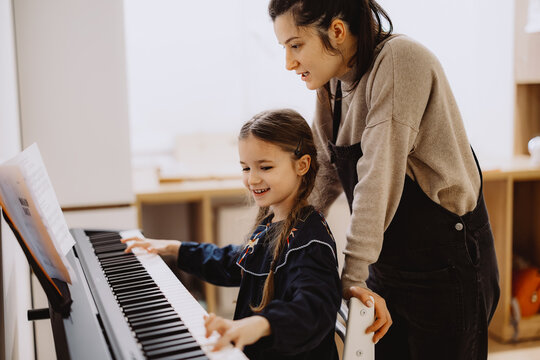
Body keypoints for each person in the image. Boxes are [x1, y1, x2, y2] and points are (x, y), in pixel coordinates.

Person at [269, 0, 500, 359]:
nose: (289, 62)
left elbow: (379, 176)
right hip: (388, 263)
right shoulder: (331, 84)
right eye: (284, 48)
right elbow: (325, 175)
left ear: (337, 32)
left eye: (295, 45)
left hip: (444, 265)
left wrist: (351, 279)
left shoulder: (399, 60)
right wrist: (280, 243)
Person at [123, 109, 342, 359]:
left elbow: (314, 308)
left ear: (302, 165)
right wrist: (175, 248)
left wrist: (257, 325)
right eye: (246, 168)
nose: (252, 179)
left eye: (265, 167)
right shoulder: (272, 222)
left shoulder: (309, 241)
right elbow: (232, 263)